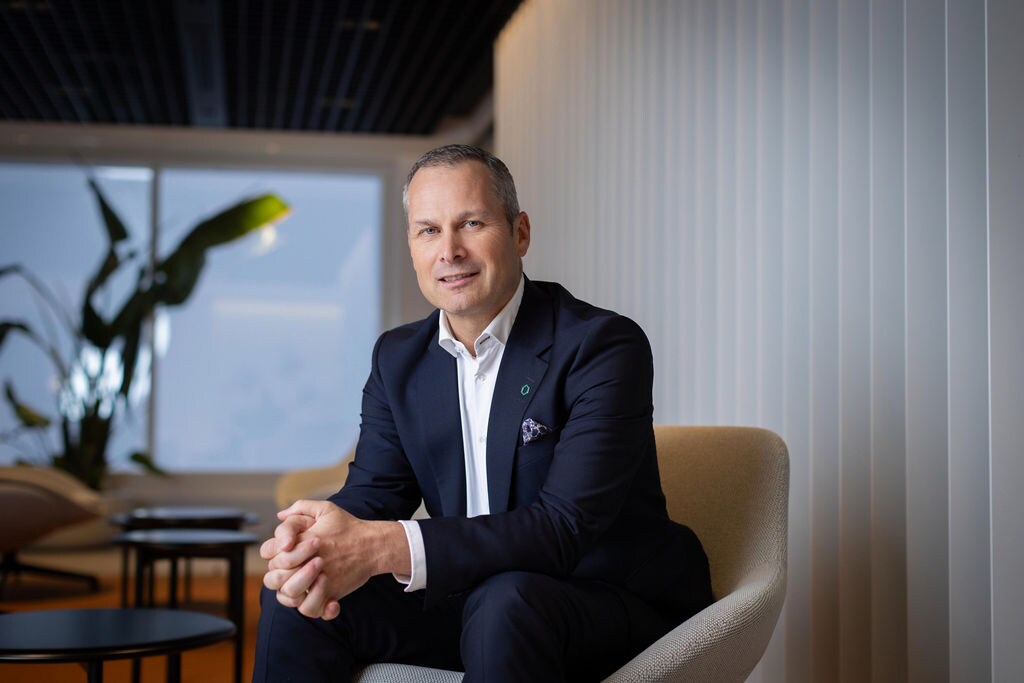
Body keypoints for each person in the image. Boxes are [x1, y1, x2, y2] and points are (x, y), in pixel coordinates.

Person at [253, 144, 712, 682]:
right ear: (412, 246)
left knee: (506, 604)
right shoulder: (398, 359)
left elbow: (563, 528)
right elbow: (375, 493)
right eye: (428, 230)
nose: (449, 251)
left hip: (604, 599)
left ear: (520, 233)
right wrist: (315, 542)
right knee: (300, 596)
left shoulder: (602, 346)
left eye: (471, 224)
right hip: (475, 598)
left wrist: (387, 546)